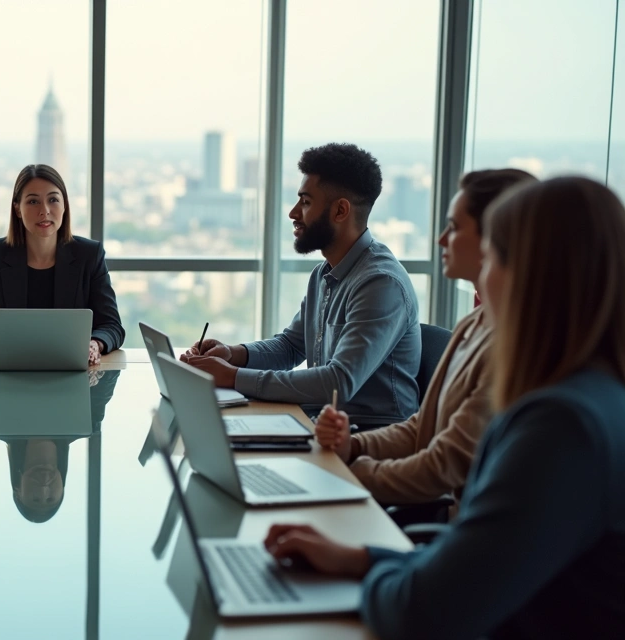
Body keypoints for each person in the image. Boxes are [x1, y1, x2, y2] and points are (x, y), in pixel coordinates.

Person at [263, 176, 625, 639]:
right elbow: (482, 563)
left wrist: (361, 574)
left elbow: (427, 608)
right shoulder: (589, 397)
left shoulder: (561, 427)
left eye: (492, 256)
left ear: (530, 273)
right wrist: (361, 559)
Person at [313, 169, 535, 507]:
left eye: (456, 227)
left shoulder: (512, 346)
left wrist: (348, 475)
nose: (441, 239)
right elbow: (423, 427)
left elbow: (442, 466)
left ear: (498, 237)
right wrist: (354, 446)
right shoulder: (474, 322)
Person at [183, 143, 420, 428]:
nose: (294, 213)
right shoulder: (324, 274)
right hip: (317, 425)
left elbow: (338, 382)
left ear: (340, 211)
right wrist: (234, 354)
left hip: (368, 442)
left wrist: (232, 377)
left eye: (306, 202)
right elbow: (291, 347)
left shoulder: (381, 284)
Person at [0, 164, 124, 365]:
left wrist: (94, 344)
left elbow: (112, 326)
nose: (45, 211)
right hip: (10, 373)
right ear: (18, 209)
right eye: (33, 201)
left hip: (73, 372)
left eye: (53, 200)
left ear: (64, 205)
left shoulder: (89, 255)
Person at [0, 368, 120, 522]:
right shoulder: (87, 425)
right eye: (50, 498)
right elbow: (111, 372)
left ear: (18, 489)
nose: (43, 488)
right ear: (62, 490)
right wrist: (97, 346)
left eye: (35, 499)